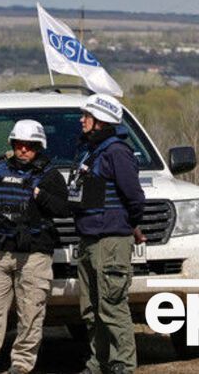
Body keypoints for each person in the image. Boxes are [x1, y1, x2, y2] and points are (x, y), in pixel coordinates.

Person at [0, 120, 73, 374]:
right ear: (13, 144)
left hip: (35, 255)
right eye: (19, 144)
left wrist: (40, 195)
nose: (23, 150)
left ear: (39, 147)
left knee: (30, 312)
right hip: (2, 251)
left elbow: (63, 209)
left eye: (29, 146)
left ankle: (21, 364)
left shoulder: (50, 175)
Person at [70, 94, 146, 374]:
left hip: (110, 241)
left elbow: (135, 198)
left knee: (111, 307)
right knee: (90, 310)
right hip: (89, 239)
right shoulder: (91, 151)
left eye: (86, 116)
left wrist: (128, 225)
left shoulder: (117, 152)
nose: (81, 120)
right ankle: (98, 363)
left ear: (100, 121)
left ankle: (123, 365)